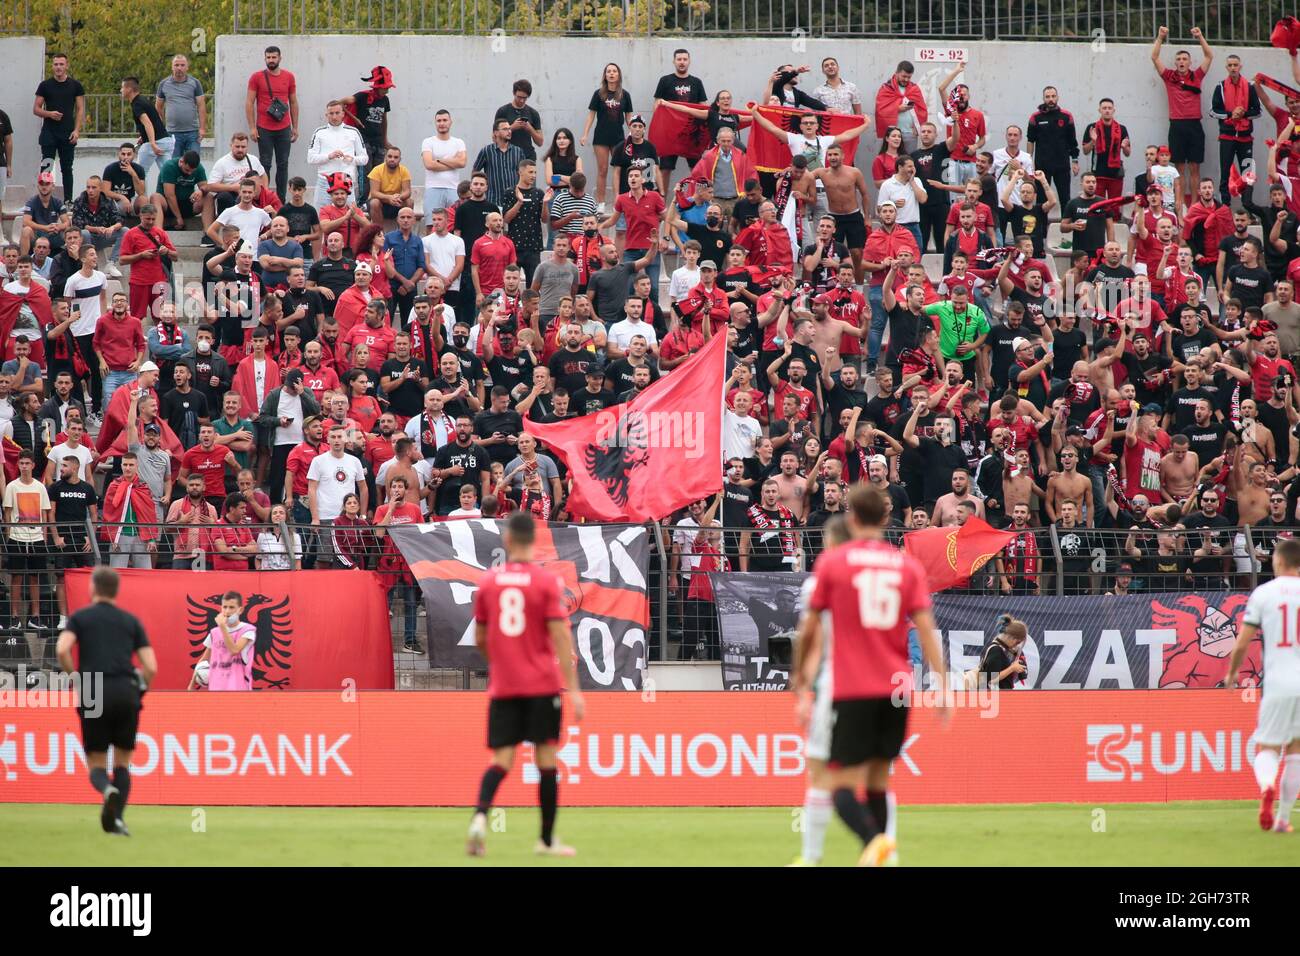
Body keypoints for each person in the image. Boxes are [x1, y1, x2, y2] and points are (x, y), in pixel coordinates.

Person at [798, 484, 947, 867]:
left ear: (851, 518)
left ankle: (873, 841)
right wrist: (943, 684)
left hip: (853, 687)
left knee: (839, 783)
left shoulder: (834, 563)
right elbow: (927, 628)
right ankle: (884, 855)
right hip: (897, 687)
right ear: (885, 518)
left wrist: (799, 679)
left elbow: (810, 629)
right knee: (879, 779)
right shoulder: (906, 565)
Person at [466, 510, 585, 858]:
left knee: (502, 760)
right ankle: (546, 841)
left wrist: (502, 663)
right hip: (542, 685)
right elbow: (561, 636)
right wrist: (574, 690)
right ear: (533, 541)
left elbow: (481, 637)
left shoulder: (489, 581)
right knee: (546, 760)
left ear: (506, 540)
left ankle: (478, 819)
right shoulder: (546, 582)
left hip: (505, 685)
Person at [56, 567, 155, 837]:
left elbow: (62, 648)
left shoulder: (80, 618)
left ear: (93, 588)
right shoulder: (130, 621)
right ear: (116, 590)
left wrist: (75, 676)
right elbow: (151, 666)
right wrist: (140, 690)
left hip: (93, 688)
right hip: (125, 689)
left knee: (97, 763)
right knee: (123, 762)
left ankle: (106, 789)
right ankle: (117, 821)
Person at [788, 515, 851, 866]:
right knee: (873, 775)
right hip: (879, 687)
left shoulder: (822, 582)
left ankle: (811, 857)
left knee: (820, 772)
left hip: (837, 683)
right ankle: (885, 846)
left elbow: (812, 639)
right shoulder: (880, 575)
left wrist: (801, 688)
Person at [1228, 536, 1300, 833]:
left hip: (1277, 683)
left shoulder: (1263, 593)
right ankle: (1283, 819)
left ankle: (1267, 786)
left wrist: (1232, 674)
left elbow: (1243, 642)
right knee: (1296, 752)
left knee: (1267, 749)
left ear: (1278, 561)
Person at [1151, 25, 1213, 206]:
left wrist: (1200, 36)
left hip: (1194, 125)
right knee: (1178, 169)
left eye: (1185, 59)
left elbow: (1209, 56)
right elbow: (1154, 57)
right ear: (1175, 62)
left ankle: (1194, 203)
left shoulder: (1197, 76)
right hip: (1177, 125)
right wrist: (1160, 37)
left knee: (1194, 168)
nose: (1181, 61)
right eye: (1178, 59)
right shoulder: (1169, 76)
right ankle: (1179, 203)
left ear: (1189, 62)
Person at [246, 45, 299, 200]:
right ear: (265, 58)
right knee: (265, 165)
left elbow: (294, 102)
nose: (271, 60)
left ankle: (280, 200)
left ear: (280, 58)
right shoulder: (256, 77)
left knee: (283, 164)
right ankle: (265, 198)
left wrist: (295, 127)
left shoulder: (289, 77)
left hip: (284, 127)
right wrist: (252, 127)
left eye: (274, 57)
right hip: (264, 128)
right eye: (268, 57)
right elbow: (249, 102)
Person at [652, 48, 708, 195]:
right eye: (679, 59)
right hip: (670, 134)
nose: (682, 62)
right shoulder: (665, 80)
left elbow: (704, 107)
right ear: (674, 61)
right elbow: (657, 105)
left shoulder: (696, 82)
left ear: (689, 61)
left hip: (692, 133)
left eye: (684, 59)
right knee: (665, 168)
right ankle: (661, 207)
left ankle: (698, 201)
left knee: (697, 169)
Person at [33, 52, 85, 200]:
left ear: (67, 65)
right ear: (52, 66)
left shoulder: (75, 85)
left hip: (68, 133)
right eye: (56, 64)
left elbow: (80, 109)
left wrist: (76, 130)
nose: (58, 67)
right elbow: (36, 109)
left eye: (61, 64)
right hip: (49, 133)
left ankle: (68, 200)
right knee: (47, 165)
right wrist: (49, 114)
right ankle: (44, 198)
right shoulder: (45, 85)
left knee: (67, 169)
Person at [581, 64, 633, 210]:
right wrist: (585, 134)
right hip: (601, 137)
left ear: (619, 75)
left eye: (614, 71)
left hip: (618, 138)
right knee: (602, 169)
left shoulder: (625, 95)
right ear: (605, 75)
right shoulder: (599, 94)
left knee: (619, 169)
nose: (611, 73)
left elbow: (629, 117)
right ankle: (601, 203)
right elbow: (591, 115)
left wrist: (634, 133)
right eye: (608, 71)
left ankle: (620, 200)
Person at [189, 590, 258, 692]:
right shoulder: (214, 632)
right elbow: (204, 659)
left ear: (240, 610)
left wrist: (222, 626)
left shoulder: (248, 630)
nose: (227, 611)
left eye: (231, 607)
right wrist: (191, 684)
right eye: (224, 607)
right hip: (216, 687)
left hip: (238, 687)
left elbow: (234, 650)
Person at [421, 109, 467, 228]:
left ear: (450, 122)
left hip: (453, 189)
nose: (442, 123)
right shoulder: (428, 142)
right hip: (433, 188)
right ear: (435, 123)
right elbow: (429, 165)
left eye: (445, 120)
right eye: (439, 121)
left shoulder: (458, 142)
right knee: (432, 226)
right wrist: (453, 160)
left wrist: (439, 160)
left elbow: (462, 163)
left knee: (455, 224)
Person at [155, 54, 206, 160]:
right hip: (172, 133)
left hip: (192, 132)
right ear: (172, 67)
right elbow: (158, 107)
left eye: (182, 65)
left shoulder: (195, 83)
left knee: (193, 162)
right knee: (174, 164)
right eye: (176, 65)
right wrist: (161, 127)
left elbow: (201, 106)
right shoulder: (164, 84)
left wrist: (202, 128)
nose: (179, 68)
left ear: (187, 67)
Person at [977, 614, 1029, 690]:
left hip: (996, 696)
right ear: (1011, 637)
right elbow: (991, 680)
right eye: (1017, 642)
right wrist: (1012, 668)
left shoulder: (998, 648)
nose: (1016, 646)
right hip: (995, 698)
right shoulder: (996, 650)